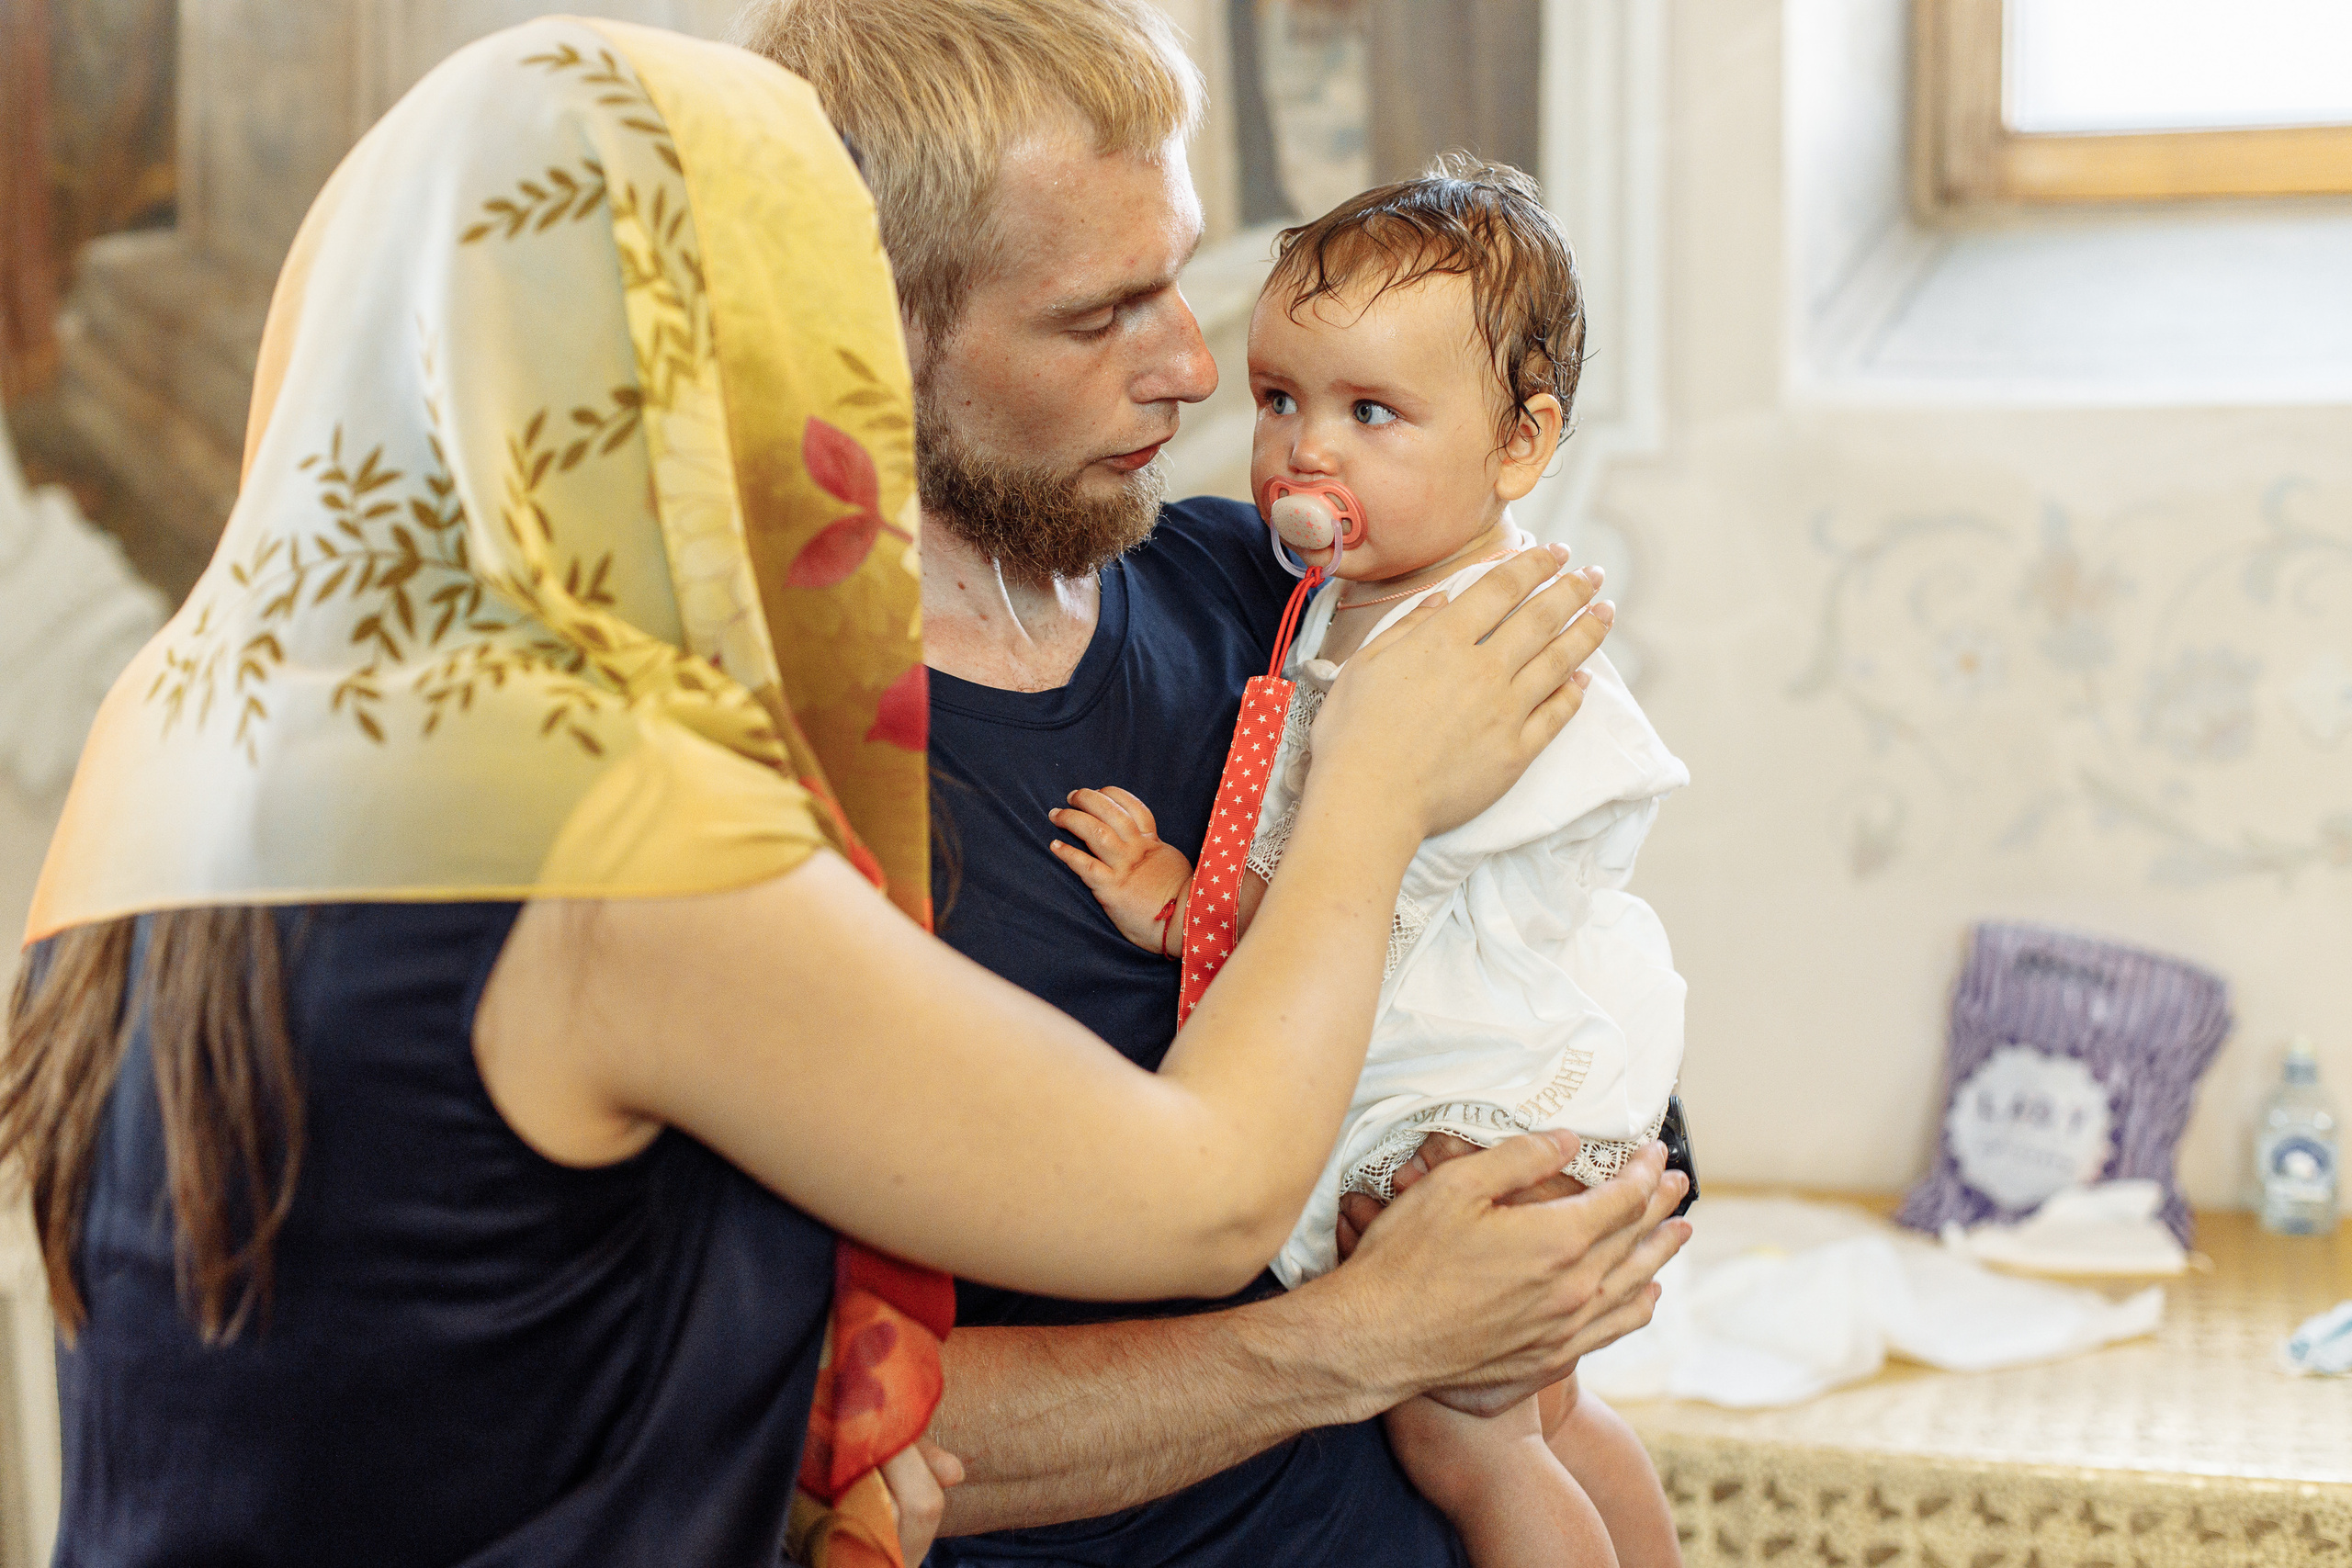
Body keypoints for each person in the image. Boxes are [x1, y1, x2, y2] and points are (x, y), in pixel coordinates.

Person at [0, 19, 1635, 1568]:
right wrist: (1372, 799)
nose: (1198, 371)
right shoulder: (614, 814)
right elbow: (1203, 1197)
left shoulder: (204, 730)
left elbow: (606, 1322)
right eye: (1096, 314)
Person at [734, 4, 1694, 1565]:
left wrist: (1564, 1214)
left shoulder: (1271, 593)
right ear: (868, 323)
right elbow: (789, 1425)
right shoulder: (762, 772)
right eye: (1098, 314)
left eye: (1177, 274)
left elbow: (1538, 970)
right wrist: (1366, 1335)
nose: (1194, 365)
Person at [1054, 160, 1687, 1568]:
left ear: (1521, 445)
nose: (1304, 454)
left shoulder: (1467, 639)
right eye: (1280, 399)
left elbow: (1375, 882)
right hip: (1503, 1066)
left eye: (1372, 414)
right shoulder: (1349, 603)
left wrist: (1189, 904)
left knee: (1468, 1440)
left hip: (1472, 1091)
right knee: (1548, 1415)